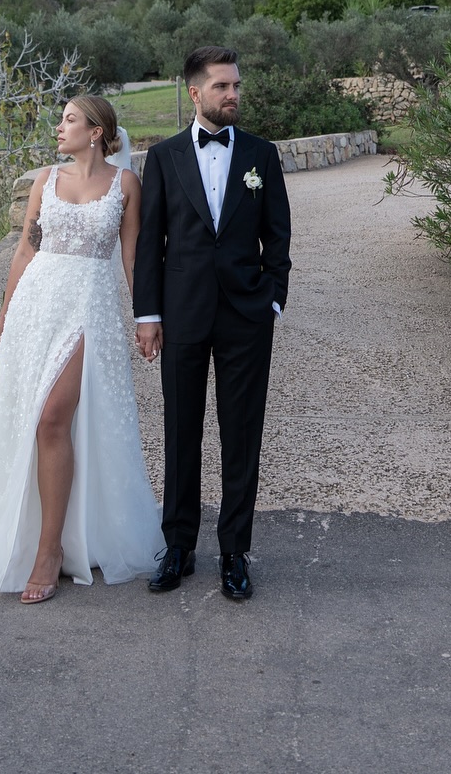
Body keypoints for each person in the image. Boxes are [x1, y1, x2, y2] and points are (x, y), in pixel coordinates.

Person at [0, 96, 164, 602]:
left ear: (97, 131)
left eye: (70, 120)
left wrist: (147, 318)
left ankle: (50, 550)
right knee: (29, 419)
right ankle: (35, 535)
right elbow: (26, 249)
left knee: (52, 418)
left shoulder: (125, 185)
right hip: (37, 306)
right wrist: (4, 319)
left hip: (88, 311)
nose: (60, 128)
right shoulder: (46, 181)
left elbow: (132, 255)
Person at [134, 46, 292, 602]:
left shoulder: (260, 155)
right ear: (195, 93)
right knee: (181, 432)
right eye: (222, 86)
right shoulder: (165, 157)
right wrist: (148, 315)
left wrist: (273, 299)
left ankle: (233, 552)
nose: (233, 95)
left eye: (237, 85)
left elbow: (278, 235)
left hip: (247, 315)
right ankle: (178, 546)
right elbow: (149, 243)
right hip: (181, 313)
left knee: (241, 434)